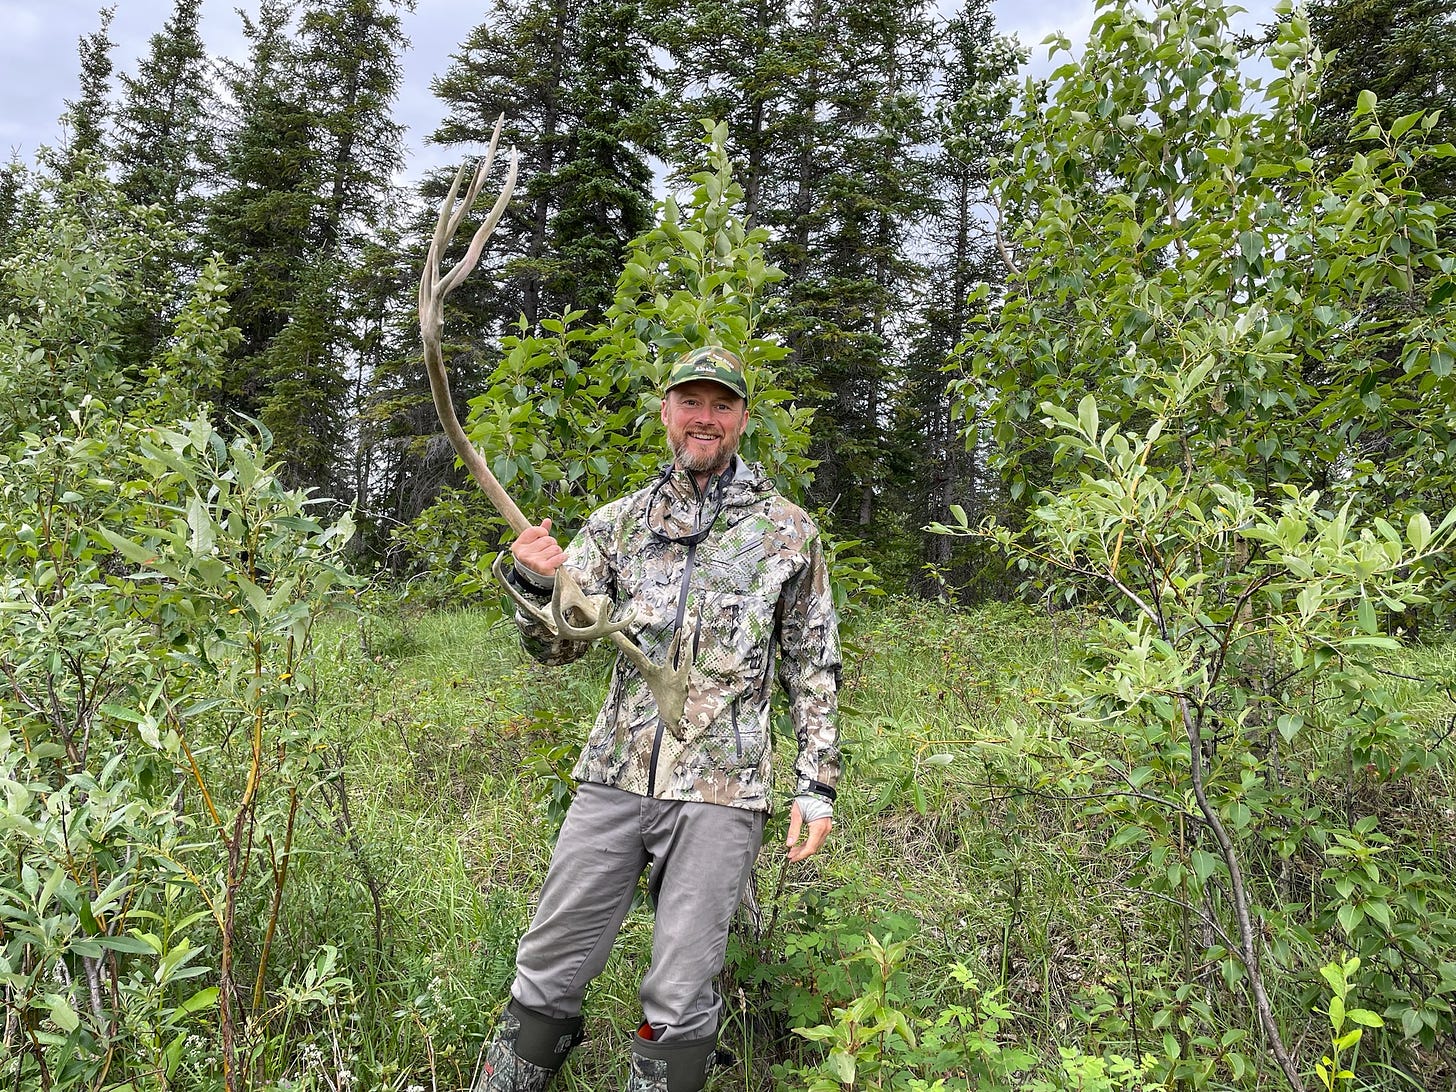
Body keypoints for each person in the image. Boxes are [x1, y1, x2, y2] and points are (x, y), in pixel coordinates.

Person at [473, 345, 841, 1092]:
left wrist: (816, 786)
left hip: (721, 793)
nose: (705, 418)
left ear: (742, 418)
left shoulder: (786, 532)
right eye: (691, 403)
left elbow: (813, 663)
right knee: (545, 971)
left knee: (678, 997)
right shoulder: (618, 525)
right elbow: (557, 650)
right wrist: (532, 579)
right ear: (667, 412)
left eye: (722, 405)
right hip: (612, 780)